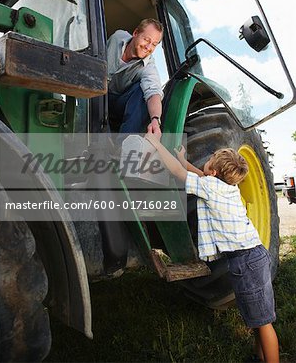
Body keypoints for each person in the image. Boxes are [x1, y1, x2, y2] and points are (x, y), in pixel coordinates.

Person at [144, 134, 279, 363]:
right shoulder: (226, 188)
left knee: (263, 322)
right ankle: (260, 358)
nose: (207, 161)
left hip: (246, 262)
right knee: (257, 319)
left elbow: (181, 175)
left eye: (211, 159)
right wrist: (183, 159)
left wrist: (156, 144)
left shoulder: (210, 187)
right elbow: (200, 175)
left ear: (214, 172)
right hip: (251, 258)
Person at [107, 18, 163, 138]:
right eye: (146, 40)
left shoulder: (148, 65)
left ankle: (125, 145)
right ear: (135, 33)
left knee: (141, 90)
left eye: (154, 44)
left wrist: (155, 120)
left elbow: (153, 92)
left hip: (116, 102)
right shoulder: (117, 37)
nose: (149, 47)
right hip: (94, 93)